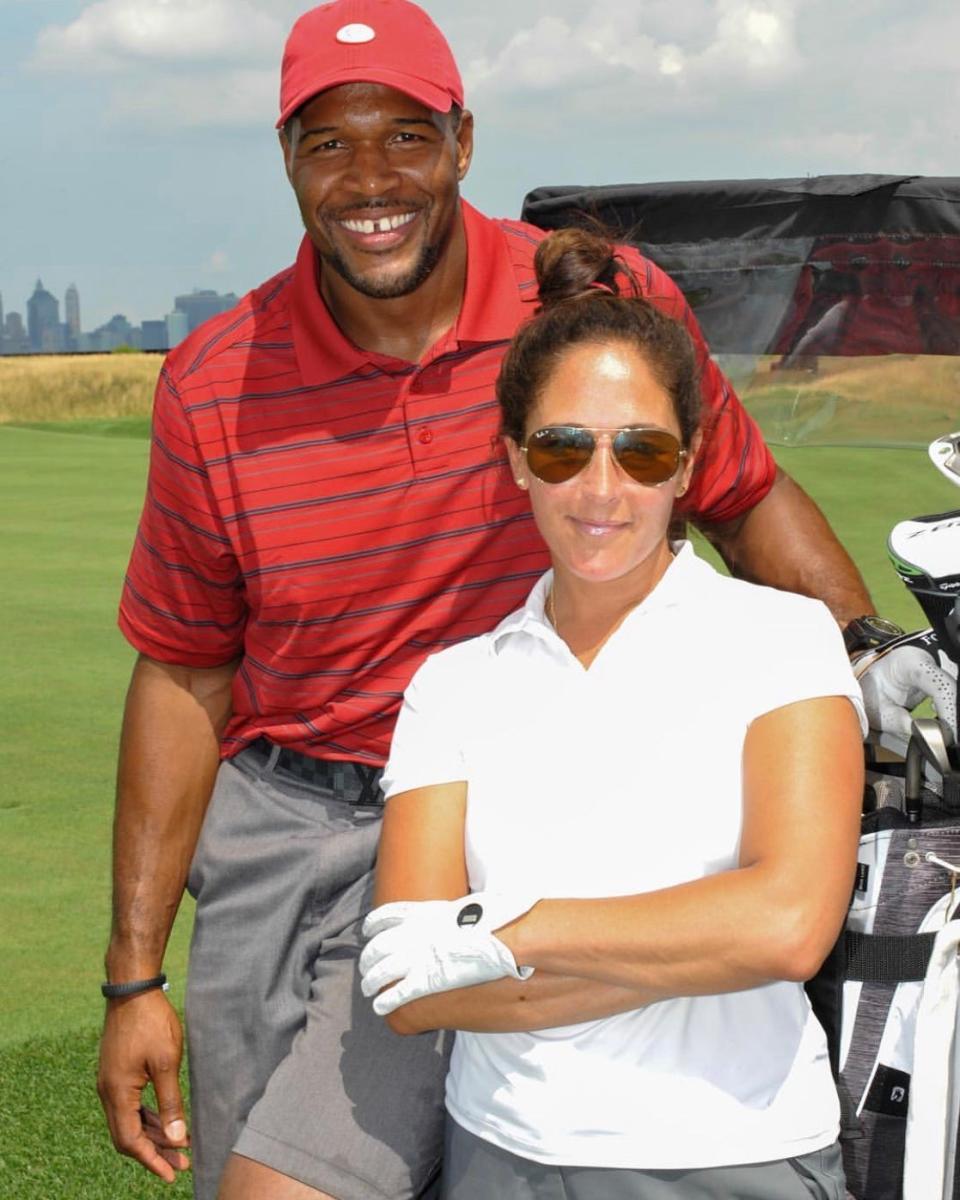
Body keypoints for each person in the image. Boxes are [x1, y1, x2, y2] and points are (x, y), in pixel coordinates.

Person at [93, 1, 934, 1198]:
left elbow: (743, 493)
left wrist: (858, 661)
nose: (371, 177)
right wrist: (132, 978)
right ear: (287, 158)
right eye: (330, 144)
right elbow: (183, 668)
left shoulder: (587, 308)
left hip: (512, 796)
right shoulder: (213, 383)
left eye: (407, 137)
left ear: (463, 142)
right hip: (290, 818)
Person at [360, 225, 867, 1199]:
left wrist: (516, 930)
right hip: (503, 1158)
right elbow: (409, 989)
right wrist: (694, 949)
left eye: (643, 450)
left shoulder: (785, 641)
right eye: (563, 449)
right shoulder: (452, 684)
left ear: (688, 466)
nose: (602, 489)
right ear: (514, 458)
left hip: (739, 1159)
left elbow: (790, 926)